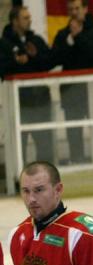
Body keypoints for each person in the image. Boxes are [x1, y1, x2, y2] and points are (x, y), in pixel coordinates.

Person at [52, 0, 93, 165]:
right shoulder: (62, 34)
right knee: (73, 130)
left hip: (92, 89)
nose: (74, 12)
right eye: (71, 9)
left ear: (85, 9)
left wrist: (79, 37)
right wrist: (69, 41)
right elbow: (55, 57)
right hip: (71, 90)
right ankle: (77, 160)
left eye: (77, 8)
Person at [0, 6, 55, 163]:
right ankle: (20, 179)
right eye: (25, 18)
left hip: (40, 102)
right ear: (14, 21)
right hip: (18, 103)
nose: (29, 20)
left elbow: (50, 61)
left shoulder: (36, 40)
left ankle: (45, 178)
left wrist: (35, 55)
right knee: (18, 145)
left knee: (45, 144)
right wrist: (15, 61)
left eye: (29, 17)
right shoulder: (4, 44)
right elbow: (2, 68)